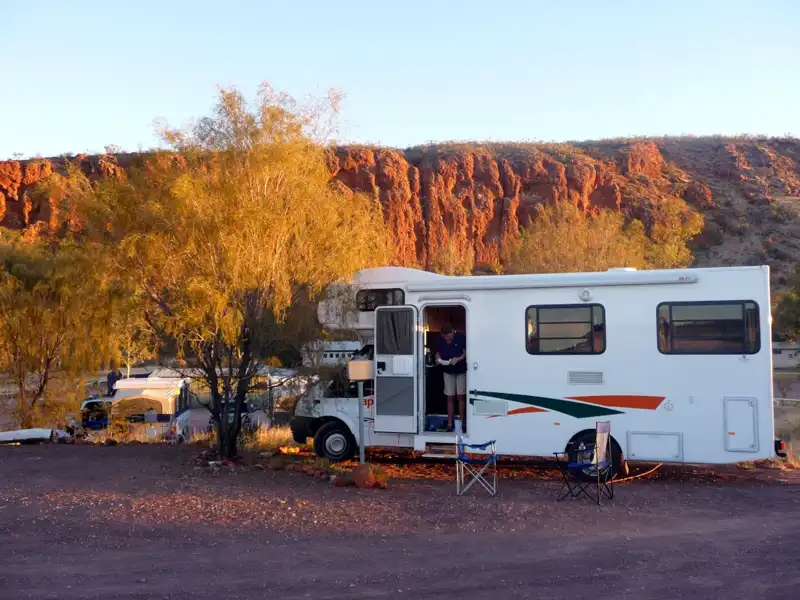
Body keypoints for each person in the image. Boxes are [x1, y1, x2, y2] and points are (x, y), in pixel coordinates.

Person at [435, 322, 467, 433]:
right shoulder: (440, 339)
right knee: (449, 397)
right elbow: (438, 352)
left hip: (461, 370)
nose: (447, 339)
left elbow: (465, 353)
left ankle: (462, 423)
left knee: (460, 397)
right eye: (445, 337)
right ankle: (449, 424)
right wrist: (438, 358)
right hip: (447, 371)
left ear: (452, 332)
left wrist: (458, 359)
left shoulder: (461, 337)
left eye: (448, 336)